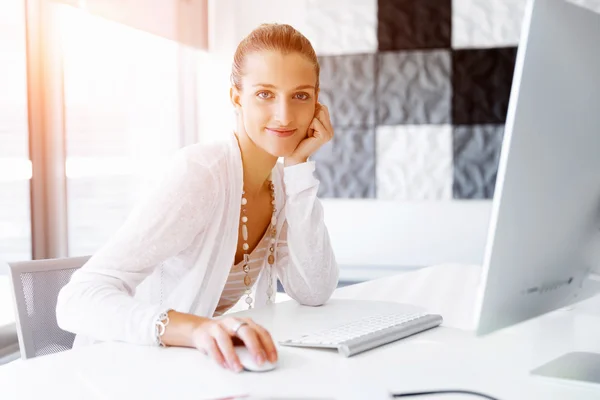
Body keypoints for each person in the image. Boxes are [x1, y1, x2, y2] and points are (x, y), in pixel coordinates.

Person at [56, 23, 339, 373]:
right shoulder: (201, 172)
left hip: (190, 371)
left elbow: (314, 290)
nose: (284, 115)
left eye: (300, 96)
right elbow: (76, 299)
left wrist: (299, 168)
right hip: (121, 370)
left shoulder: (280, 183)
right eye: (265, 94)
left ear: (317, 100)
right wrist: (198, 329)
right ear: (236, 97)